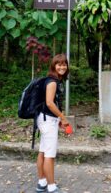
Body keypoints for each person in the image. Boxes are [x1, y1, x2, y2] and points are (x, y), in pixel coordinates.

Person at [35, 54, 71, 193]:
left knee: (43, 151)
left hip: (46, 119)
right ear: (53, 66)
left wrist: (57, 120)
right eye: (59, 64)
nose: (62, 67)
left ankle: (41, 183)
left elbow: (50, 103)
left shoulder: (53, 80)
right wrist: (62, 117)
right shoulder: (52, 82)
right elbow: (50, 103)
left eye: (64, 64)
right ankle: (51, 186)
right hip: (47, 120)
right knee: (49, 155)